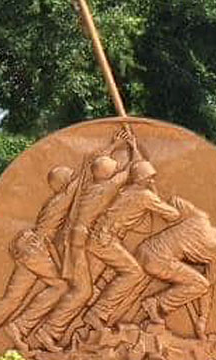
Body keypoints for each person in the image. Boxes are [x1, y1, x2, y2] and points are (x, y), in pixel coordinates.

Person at [29, 132, 134, 351]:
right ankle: (47, 332)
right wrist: (133, 149)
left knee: (86, 289)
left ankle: (54, 330)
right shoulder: (104, 189)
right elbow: (129, 173)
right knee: (83, 291)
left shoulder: (88, 186)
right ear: (108, 174)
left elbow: (89, 166)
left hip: (80, 241)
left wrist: (113, 146)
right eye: (113, 169)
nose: (115, 170)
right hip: (78, 243)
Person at [0, 165, 77, 353]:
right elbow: (81, 182)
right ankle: (20, 326)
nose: (74, 178)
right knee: (60, 286)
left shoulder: (57, 200)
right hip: (36, 250)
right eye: (71, 176)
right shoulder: (61, 199)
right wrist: (113, 148)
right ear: (63, 183)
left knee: (12, 299)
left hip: (30, 249)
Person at [83, 154, 180, 330]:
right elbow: (173, 215)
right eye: (151, 177)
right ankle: (97, 313)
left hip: (98, 237)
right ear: (144, 178)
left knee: (85, 286)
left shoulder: (126, 190)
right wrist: (154, 190)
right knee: (134, 273)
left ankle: (73, 328)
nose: (152, 180)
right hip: (107, 240)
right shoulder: (145, 196)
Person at [135, 198, 216, 336]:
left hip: (144, 248)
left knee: (197, 280)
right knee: (201, 284)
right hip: (157, 262)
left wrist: (173, 221)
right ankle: (156, 304)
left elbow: (174, 200)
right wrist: (203, 318)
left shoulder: (200, 217)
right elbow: (208, 287)